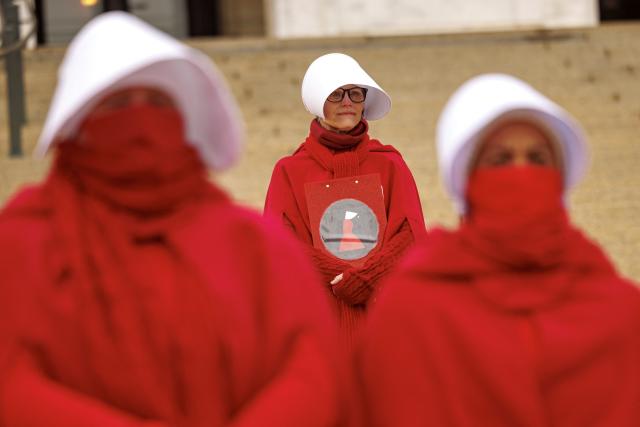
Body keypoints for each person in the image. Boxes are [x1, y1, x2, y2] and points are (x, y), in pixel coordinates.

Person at [0, 12, 353, 427]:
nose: (140, 121)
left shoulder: (251, 243)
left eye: (158, 103)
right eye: (115, 104)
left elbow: (311, 364)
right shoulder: (22, 243)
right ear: (79, 121)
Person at [358, 73, 640, 426]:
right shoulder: (413, 309)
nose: (521, 172)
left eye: (538, 159)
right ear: (467, 177)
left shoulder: (619, 310)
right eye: (500, 160)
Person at [264, 53, 426, 344]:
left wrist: (369, 277)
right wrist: (344, 277)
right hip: (318, 322)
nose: (348, 102)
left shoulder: (389, 164)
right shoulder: (289, 171)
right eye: (336, 94)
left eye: (355, 93)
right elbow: (280, 246)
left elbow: (409, 235)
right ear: (317, 100)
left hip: (384, 318)